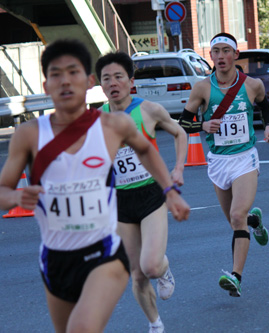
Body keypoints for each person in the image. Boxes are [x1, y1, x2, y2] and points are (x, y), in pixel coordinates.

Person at [0, 39, 190, 332]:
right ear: (46, 85)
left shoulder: (114, 125)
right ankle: (156, 323)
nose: (65, 81)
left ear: (87, 82)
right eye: (56, 74)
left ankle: (159, 300)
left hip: (107, 249)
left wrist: (170, 188)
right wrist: (18, 196)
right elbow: (0, 195)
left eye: (73, 72)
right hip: (57, 255)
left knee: (93, 318)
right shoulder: (28, 135)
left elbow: (148, 150)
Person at [95, 51, 187, 333]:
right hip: (120, 202)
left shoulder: (148, 109)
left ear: (130, 81)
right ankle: (155, 325)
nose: (113, 83)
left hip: (151, 195)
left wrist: (178, 169)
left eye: (118, 77)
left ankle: (163, 266)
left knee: (150, 266)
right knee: (136, 275)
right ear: (100, 85)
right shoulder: (96, 119)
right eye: (106, 78)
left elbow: (180, 133)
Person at [178, 32, 269, 297]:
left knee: (236, 216)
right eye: (216, 52)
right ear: (211, 56)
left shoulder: (252, 85)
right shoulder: (202, 88)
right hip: (218, 161)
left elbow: (265, 107)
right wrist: (202, 124)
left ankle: (235, 277)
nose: (220, 56)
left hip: (245, 158)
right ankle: (254, 220)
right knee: (237, 223)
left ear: (235, 55)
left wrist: (268, 127)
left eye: (225, 51)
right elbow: (183, 124)